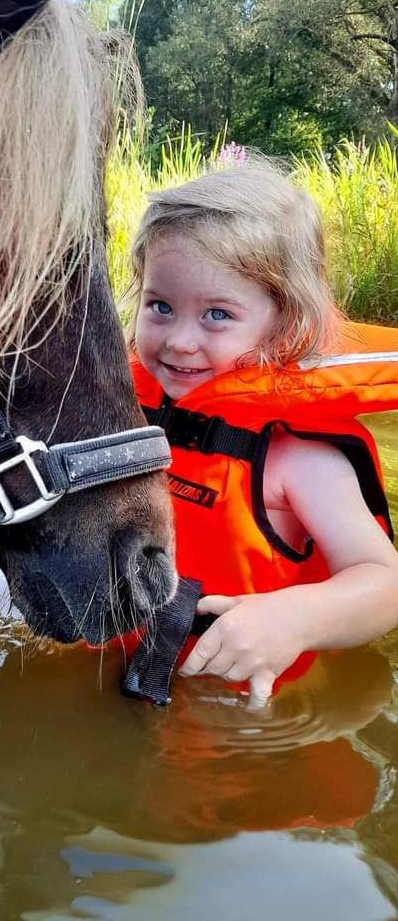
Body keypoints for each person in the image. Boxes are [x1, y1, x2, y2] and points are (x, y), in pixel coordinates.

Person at [123, 161, 398, 707]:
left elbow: (387, 586)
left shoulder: (299, 460)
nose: (179, 340)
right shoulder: (124, 414)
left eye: (217, 315)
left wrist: (295, 619)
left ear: (287, 323)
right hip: (121, 669)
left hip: (241, 709)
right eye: (160, 306)